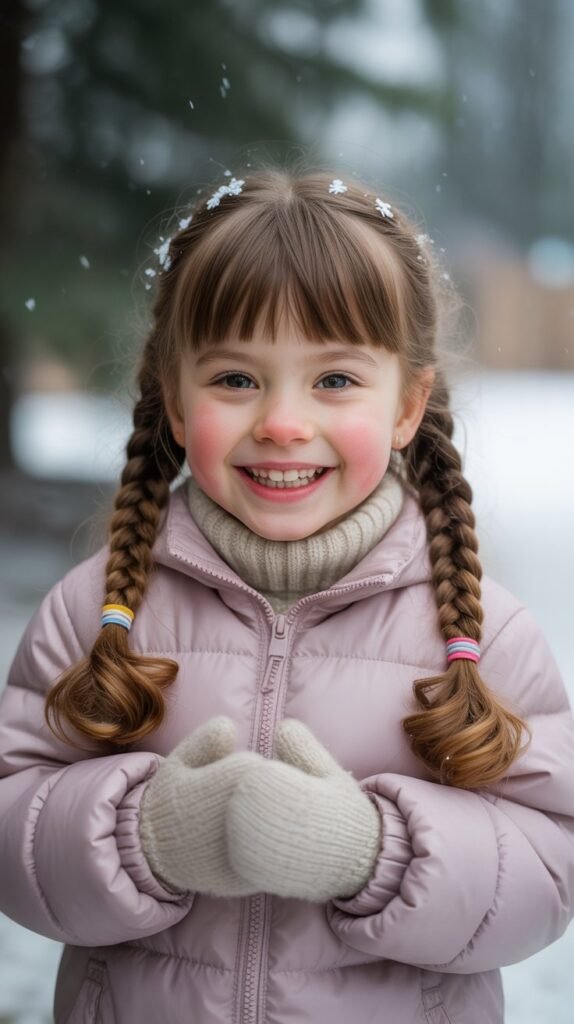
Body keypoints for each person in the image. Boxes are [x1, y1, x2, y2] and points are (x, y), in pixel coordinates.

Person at [1, 168, 573, 1024]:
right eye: (236, 379)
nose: (280, 421)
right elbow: (12, 832)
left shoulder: (480, 634)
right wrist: (143, 835)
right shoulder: (97, 617)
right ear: (173, 392)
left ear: (408, 404)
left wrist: (371, 854)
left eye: (334, 380)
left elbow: (549, 868)